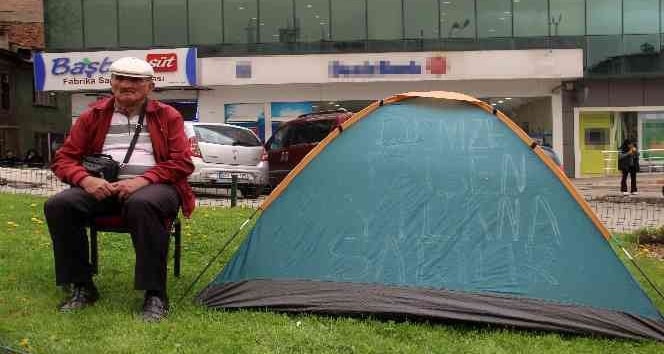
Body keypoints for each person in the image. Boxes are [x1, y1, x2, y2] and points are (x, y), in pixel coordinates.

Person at [44, 57, 195, 322]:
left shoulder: (167, 116)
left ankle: (155, 295)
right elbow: (63, 159)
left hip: (155, 188)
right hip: (103, 188)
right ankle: (83, 286)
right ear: (111, 82)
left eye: (135, 80)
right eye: (120, 78)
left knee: (142, 203)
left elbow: (181, 162)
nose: (126, 85)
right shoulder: (93, 115)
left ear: (150, 85)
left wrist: (143, 180)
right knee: (59, 205)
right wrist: (86, 180)